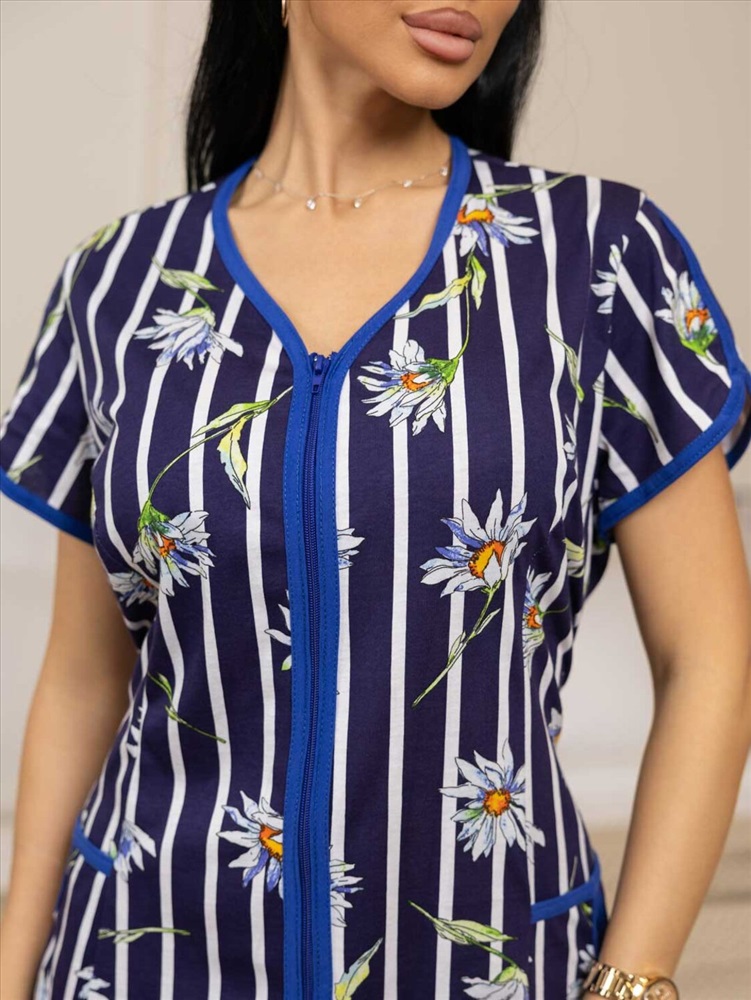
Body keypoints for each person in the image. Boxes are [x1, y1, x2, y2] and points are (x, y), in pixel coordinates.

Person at [1, 1, 750, 998]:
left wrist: (633, 977)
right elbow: (84, 681)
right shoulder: (118, 285)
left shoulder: (595, 256)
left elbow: (709, 658)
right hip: (144, 958)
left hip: (484, 961)